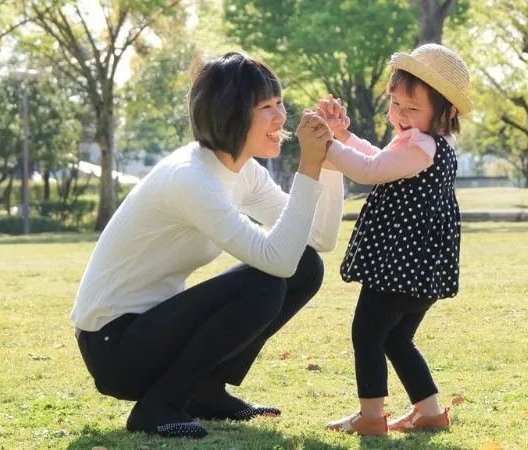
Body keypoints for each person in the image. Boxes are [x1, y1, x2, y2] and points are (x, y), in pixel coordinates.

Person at [70, 52, 344, 439]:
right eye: (266, 107)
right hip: (114, 346)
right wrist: (308, 166)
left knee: (307, 265)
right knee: (263, 284)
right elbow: (276, 261)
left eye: (279, 102)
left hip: (152, 331)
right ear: (229, 115)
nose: (281, 117)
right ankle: (159, 405)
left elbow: (318, 239)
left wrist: (329, 162)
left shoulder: (242, 170)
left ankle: (205, 391)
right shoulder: (191, 178)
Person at [318, 43, 473, 436]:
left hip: (399, 268)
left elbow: (370, 170)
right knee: (397, 339)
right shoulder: (424, 142)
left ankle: (371, 417)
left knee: (367, 333)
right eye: (395, 104)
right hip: (417, 269)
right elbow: (377, 157)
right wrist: (345, 137)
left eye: (412, 108)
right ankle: (430, 412)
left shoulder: (421, 146)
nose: (399, 116)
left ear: (446, 112)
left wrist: (328, 145)